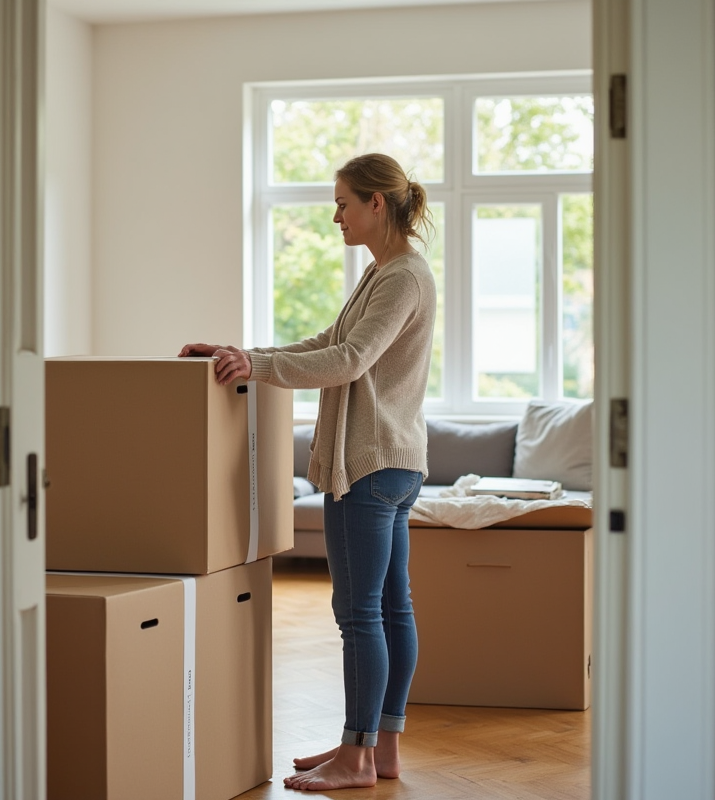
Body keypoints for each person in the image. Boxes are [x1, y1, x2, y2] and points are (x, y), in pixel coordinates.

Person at [180, 153, 437, 792]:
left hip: (370, 468)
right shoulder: (387, 274)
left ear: (378, 203)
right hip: (396, 464)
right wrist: (243, 354)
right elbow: (328, 339)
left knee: (361, 616)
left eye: (345, 202)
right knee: (390, 609)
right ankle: (381, 750)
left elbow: (348, 360)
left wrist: (257, 368)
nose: (336, 216)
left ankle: (356, 758)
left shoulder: (401, 277)